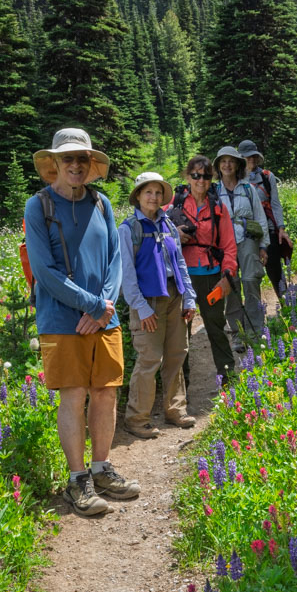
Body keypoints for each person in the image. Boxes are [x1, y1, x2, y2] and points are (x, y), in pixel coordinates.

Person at [25, 128, 140, 517]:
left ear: (90, 165)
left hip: (104, 318)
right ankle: (77, 481)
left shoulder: (102, 204)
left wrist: (105, 307)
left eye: (82, 159)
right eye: (67, 159)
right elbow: (45, 270)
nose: (75, 165)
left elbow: (115, 261)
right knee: (73, 395)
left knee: (106, 392)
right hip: (61, 320)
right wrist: (93, 305)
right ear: (54, 164)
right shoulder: (37, 206)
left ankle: (101, 468)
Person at [118, 172, 197, 439]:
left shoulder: (168, 226)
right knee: (150, 359)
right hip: (147, 301)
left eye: (158, 192)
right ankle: (137, 418)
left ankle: (175, 410)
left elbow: (180, 263)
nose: (153, 197)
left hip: (175, 295)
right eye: (148, 192)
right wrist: (141, 308)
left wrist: (189, 296)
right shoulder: (128, 229)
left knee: (176, 354)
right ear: (138, 196)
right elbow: (126, 275)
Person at [171, 155, 238, 382]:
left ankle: (229, 380)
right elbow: (155, 230)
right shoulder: (175, 203)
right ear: (187, 176)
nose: (201, 181)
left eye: (206, 176)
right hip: (182, 277)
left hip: (211, 275)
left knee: (216, 328)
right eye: (196, 175)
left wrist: (228, 275)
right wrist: (174, 235)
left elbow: (229, 245)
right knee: (182, 335)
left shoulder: (218, 207)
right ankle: (181, 390)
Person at [212, 146, 269, 352]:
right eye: (223, 161)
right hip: (224, 244)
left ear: (237, 165)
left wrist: (263, 246)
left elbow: (260, 218)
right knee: (231, 286)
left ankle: (255, 330)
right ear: (218, 166)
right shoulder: (214, 191)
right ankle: (237, 335)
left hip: (248, 240)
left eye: (231, 161)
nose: (227, 165)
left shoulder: (248, 189)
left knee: (251, 281)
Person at [238, 139, 293, 302]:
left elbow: (275, 204)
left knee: (275, 271)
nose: (252, 160)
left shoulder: (267, 177)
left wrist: (281, 229)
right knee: (249, 276)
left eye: (254, 157)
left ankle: (288, 305)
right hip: (244, 234)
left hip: (268, 230)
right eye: (248, 157)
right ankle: (254, 311)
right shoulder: (236, 180)